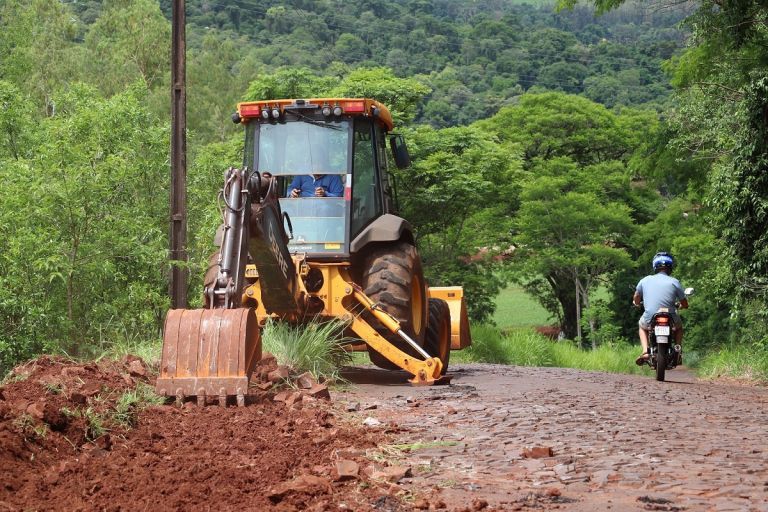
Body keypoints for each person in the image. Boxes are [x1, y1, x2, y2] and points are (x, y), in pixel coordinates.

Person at [633, 252, 688, 366]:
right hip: (670, 316)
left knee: (642, 327)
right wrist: (682, 306)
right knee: (679, 328)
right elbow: (684, 303)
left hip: (651, 316)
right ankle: (678, 349)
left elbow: (636, 298)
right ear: (670, 267)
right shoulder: (674, 281)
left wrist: (636, 303)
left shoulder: (645, 280)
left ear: (655, 267)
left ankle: (645, 351)